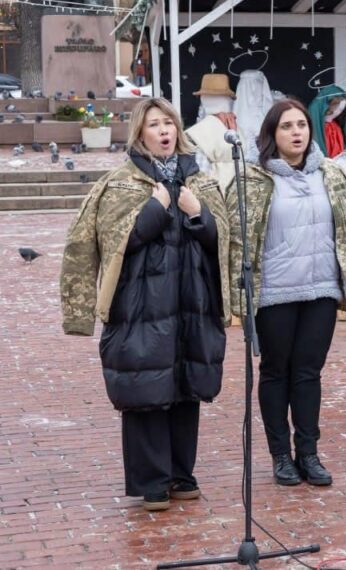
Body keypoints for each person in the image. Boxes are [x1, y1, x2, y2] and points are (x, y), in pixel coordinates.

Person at [60, 97, 230, 511]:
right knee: (146, 388)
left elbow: (223, 239)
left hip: (191, 303)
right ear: (140, 134)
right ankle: (152, 482)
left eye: (169, 123)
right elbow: (112, 242)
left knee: (187, 386)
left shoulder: (201, 182)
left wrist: (198, 215)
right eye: (154, 125)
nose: (164, 131)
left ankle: (181, 473)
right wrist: (156, 209)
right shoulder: (121, 184)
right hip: (140, 306)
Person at [228, 99, 346, 487]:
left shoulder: (331, 175)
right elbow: (238, 241)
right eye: (287, 126)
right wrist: (239, 296)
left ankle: (308, 452)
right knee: (276, 372)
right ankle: (280, 455)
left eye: (302, 125)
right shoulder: (254, 181)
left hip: (320, 290)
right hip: (274, 293)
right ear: (272, 134)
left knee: (308, 373)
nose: (296, 132)